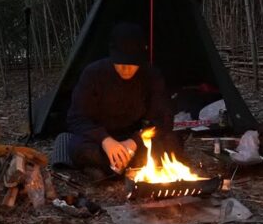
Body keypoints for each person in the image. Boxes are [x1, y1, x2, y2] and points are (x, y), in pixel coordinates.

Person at [66, 22, 183, 179]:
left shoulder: (151, 76)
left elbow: (164, 119)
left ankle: (111, 169)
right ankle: (124, 165)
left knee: (172, 142)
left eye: (131, 64)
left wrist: (135, 142)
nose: (126, 69)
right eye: (120, 63)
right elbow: (76, 118)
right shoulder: (93, 74)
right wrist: (105, 140)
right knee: (77, 147)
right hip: (100, 139)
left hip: (137, 138)